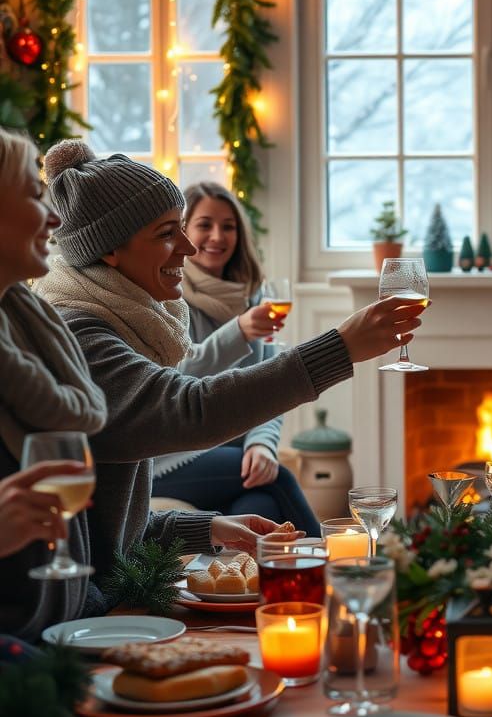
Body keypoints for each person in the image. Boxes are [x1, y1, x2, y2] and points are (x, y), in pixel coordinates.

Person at [34, 141, 422, 592]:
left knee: (262, 498)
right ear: (109, 251)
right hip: (93, 611)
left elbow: (120, 530)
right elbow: (191, 408)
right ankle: (354, 593)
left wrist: (212, 528)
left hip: (110, 592)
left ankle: (344, 594)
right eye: (166, 234)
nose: (188, 246)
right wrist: (340, 348)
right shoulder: (82, 331)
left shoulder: (128, 320)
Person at [151, 181, 319, 535]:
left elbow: (272, 386)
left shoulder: (254, 298)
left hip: (232, 452)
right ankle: (333, 572)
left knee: (259, 507)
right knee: (281, 481)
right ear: (183, 231)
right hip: (175, 456)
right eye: (204, 224)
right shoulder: (169, 297)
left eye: (228, 226)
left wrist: (262, 444)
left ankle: (276, 590)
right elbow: (175, 379)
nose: (217, 236)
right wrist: (238, 331)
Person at [0, 128, 108, 637]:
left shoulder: (26, 324)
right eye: (33, 192)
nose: (56, 217)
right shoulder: (88, 320)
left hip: (65, 632)